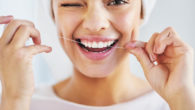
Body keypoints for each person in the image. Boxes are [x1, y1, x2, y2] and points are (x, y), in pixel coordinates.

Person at [0, 0, 195, 110]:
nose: (94, 23)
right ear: (53, 14)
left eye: (117, 1)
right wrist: (14, 100)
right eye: (72, 3)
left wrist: (182, 99)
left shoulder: (176, 102)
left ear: (142, 12)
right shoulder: (20, 102)